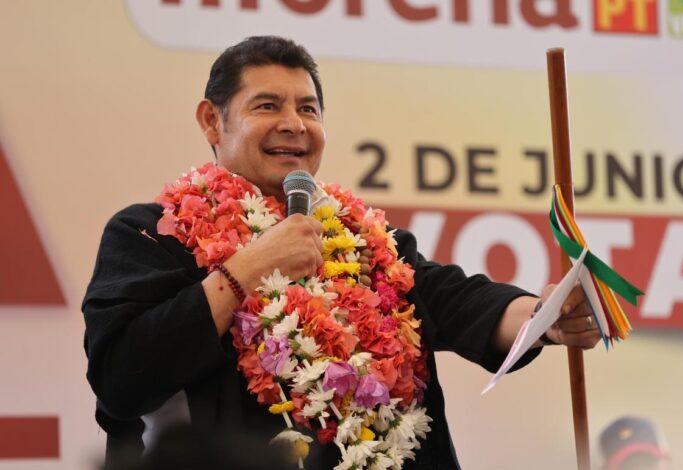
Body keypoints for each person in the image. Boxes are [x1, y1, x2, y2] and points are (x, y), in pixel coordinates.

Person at [82, 36, 601, 469]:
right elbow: (122, 379)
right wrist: (250, 267)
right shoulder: (155, 234)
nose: (294, 124)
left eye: (308, 109)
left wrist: (545, 317)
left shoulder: (366, 241)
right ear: (212, 122)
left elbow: (456, 300)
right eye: (267, 106)